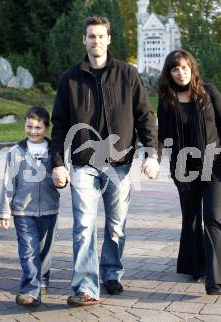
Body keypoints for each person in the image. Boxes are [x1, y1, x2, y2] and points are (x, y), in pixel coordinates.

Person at [50, 16, 159, 306]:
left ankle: (111, 272)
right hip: (84, 164)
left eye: (100, 36)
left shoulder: (128, 74)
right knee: (84, 225)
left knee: (116, 226)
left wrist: (151, 153)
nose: (95, 40)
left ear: (109, 39)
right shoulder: (70, 79)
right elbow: (59, 125)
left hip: (120, 163)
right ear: (84, 40)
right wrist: (58, 163)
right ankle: (85, 287)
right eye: (91, 36)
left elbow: (144, 116)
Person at [157, 49, 221, 295]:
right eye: (175, 68)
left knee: (214, 216)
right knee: (191, 217)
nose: (180, 72)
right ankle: (196, 266)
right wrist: (153, 158)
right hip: (183, 168)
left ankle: (217, 277)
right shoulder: (167, 100)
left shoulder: (209, 91)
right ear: (169, 73)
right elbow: (161, 136)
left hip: (214, 164)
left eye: (184, 67)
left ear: (192, 69)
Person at [0, 106, 60, 307]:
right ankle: (29, 290)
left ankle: (42, 280)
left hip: (50, 210)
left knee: (44, 251)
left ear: (47, 127)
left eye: (38, 127)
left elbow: (62, 177)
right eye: (29, 126)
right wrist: (5, 211)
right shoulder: (15, 153)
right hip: (23, 211)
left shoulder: (54, 151)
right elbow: (8, 182)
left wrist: (63, 181)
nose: (33, 131)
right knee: (28, 251)